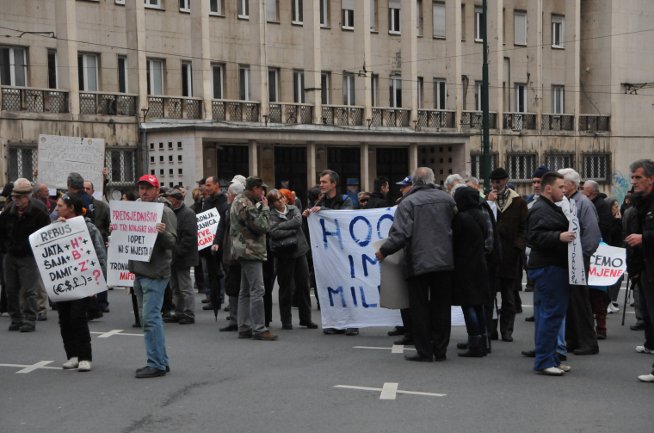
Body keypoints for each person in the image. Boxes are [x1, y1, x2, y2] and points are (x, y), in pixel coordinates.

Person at [376, 167, 456, 362]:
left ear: (415, 182)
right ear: (432, 179)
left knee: (419, 308)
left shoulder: (408, 202)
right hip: (444, 261)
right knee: (441, 307)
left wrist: (384, 251)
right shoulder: (447, 199)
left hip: (418, 261)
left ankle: (425, 351)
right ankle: (440, 349)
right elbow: (455, 224)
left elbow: (400, 234)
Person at [526, 171, 575, 376]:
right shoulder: (540, 209)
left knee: (551, 315)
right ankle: (545, 360)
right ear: (549, 188)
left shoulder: (548, 207)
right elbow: (534, 236)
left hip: (551, 266)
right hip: (549, 268)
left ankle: (550, 357)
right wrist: (559, 236)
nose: (564, 191)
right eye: (560, 187)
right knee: (550, 314)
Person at [129, 175, 177, 378]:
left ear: (157, 191)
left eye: (149, 188)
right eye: (141, 188)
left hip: (155, 273)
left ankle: (156, 363)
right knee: (147, 318)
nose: (144, 192)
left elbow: (172, 242)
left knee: (150, 319)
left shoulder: (164, 212)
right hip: (139, 272)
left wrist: (162, 233)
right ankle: (160, 361)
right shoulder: (134, 210)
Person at [54, 194, 107, 372]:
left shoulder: (89, 228)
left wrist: (97, 283)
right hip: (63, 280)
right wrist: (56, 229)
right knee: (64, 319)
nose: (57, 209)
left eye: (60, 206)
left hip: (83, 280)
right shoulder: (56, 226)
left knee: (77, 317)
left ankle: (85, 357)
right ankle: (72, 356)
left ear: (71, 208)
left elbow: (100, 255)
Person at [304, 169, 356, 335]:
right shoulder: (319, 201)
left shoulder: (345, 200)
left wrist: (323, 211)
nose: (321, 185)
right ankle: (334, 322)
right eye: (320, 182)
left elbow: (345, 217)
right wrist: (308, 214)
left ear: (334, 184)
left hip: (343, 252)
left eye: (324, 182)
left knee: (347, 287)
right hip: (327, 254)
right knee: (331, 287)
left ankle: (352, 323)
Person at [559, 168, 601, 355]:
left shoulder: (582, 203)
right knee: (572, 302)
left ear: (573, 185)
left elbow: (592, 234)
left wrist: (582, 257)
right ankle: (573, 340)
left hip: (579, 259)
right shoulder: (568, 202)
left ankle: (587, 342)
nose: (560, 186)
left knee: (580, 301)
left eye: (563, 183)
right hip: (571, 259)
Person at [230, 176, 277, 341]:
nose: (263, 192)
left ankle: (244, 327)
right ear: (254, 188)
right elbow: (262, 226)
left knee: (245, 291)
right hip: (251, 250)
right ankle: (259, 328)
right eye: (261, 188)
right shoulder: (246, 204)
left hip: (243, 250)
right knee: (257, 290)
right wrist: (265, 208)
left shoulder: (239, 200)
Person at [0, 178, 51, 332]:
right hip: (10, 255)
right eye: (15, 197)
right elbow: (1, 232)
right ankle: (16, 318)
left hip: (28, 256)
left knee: (29, 289)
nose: (16, 200)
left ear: (27, 197)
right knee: (11, 288)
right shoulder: (8, 211)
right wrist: (6, 248)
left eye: (20, 197)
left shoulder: (38, 212)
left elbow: (46, 233)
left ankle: (29, 319)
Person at [486, 168, 528, 342]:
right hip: (491, 255)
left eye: (499, 182)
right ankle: (491, 330)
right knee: (489, 297)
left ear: (506, 181)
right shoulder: (486, 200)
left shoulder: (518, 201)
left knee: (508, 296)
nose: (496, 185)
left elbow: (524, 228)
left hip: (511, 255)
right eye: (494, 182)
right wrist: (489, 203)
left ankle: (507, 330)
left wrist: (518, 247)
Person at [622, 160, 654, 382]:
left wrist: (645, 238)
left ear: (651, 179)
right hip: (645, 269)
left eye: (638, 178)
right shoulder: (639, 204)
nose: (633, 182)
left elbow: (644, 235)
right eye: (632, 177)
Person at [267, 189, 317, 330]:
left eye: (282, 197)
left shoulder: (293, 208)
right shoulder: (270, 215)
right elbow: (273, 232)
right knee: (285, 288)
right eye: (277, 199)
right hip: (283, 254)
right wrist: (290, 228)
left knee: (304, 286)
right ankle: (286, 321)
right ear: (272, 203)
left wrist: (281, 226)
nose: (281, 201)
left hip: (300, 251)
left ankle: (306, 319)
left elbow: (298, 221)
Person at [453, 186, 490, 357]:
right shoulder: (481, 215)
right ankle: (482, 340)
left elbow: (455, 241)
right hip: (480, 264)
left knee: (468, 305)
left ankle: (474, 342)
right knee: (478, 304)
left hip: (464, 265)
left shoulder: (461, 218)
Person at [213, 181, 245, 332]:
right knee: (232, 286)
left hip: (239, 254)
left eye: (230, 193)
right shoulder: (228, 209)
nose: (227, 195)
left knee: (240, 287)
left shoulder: (243, 209)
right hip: (229, 253)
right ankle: (234, 319)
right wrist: (216, 242)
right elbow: (221, 227)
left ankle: (241, 320)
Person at [163, 188, 199, 324]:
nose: (167, 200)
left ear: (176, 200)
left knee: (185, 287)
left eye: (170, 198)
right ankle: (179, 311)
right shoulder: (172, 213)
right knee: (175, 287)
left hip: (183, 256)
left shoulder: (188, 214)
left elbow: (189, 238)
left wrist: (176, 252)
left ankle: (188, 313)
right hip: (174, 255)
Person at [199, 176, 228, 311]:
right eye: (206, 185)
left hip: (223, 242)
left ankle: (229, 301)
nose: (206, 188)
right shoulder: (207, 201)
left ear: (217, 185)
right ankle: (214, 299)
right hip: (209, 243)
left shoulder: (224, 201)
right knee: (212, 273)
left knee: (226, 272)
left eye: (209, 185)